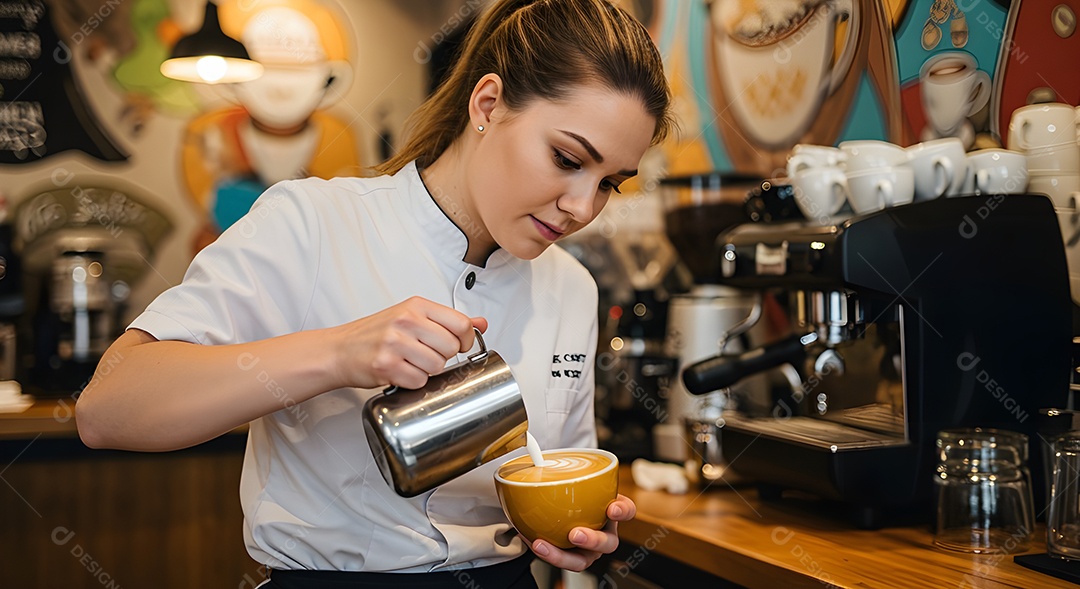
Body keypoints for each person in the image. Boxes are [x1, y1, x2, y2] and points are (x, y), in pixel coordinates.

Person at [76, 0, 673, 586]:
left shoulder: (571, 288)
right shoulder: (313, 223)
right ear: (487, 104)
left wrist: (581, 532)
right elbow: (109, 410)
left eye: (609, 185)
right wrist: (338, 354)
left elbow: (559, 470)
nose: (581, 208)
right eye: (567, 158)